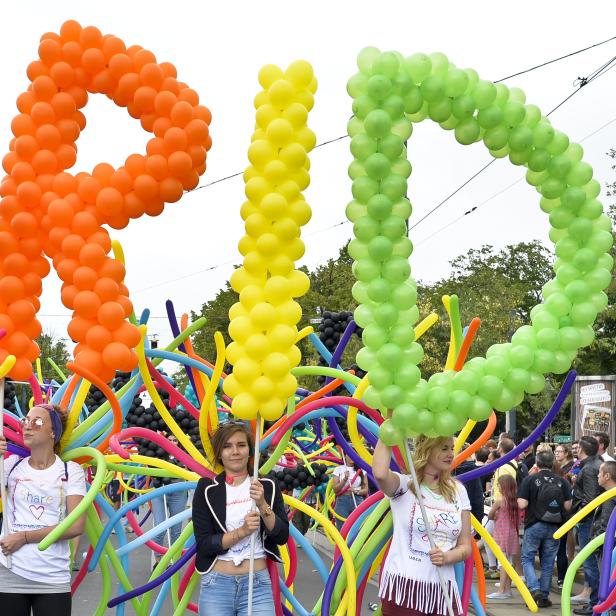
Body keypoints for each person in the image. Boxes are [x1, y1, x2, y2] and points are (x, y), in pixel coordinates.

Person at [192, 421, 289, 615]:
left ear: (249, 451)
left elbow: (281, 536)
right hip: (217, 585)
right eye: (227, 446)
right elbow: (204, 544)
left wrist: (262, 505)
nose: (235, 451)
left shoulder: (267, 485)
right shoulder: (206, 488)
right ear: (219, 453)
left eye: (241, 445)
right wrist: (242, 532)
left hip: (257, 584)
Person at [373, 428, 472, 615]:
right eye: (444, 448)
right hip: (404, 590)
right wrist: (390, 424)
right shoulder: (405, 486)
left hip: (442, 593)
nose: (451, 454)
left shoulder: (458, 491)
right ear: (427, 449)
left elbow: (466, 545)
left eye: (452, 448)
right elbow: (380, 473)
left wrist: (447, 557)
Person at [0, 403, 87, 616]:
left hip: (52, 577)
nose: (28, 426)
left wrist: (24, 537)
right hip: (9, 573)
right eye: (25, 421)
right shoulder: (10, 465)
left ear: (53, 433)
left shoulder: (70, 471)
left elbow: (75, 525)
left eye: (37, 422)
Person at [518, 450, 572, 609]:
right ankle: (544, 596)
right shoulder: (562, 481)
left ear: (537, 462)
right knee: (548, 562)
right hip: (555, 527)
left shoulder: (530, 479)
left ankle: (534, 589)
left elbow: (522, 504)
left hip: (534, 524)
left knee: (527, 558)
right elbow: (568, 506)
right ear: (552, 463)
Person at [574, 461, 616, 615]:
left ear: (607, 476)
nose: (597, 475)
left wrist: (596, 544)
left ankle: (602, 609)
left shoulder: (610, 499)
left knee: (604, 580)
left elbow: (606, 525)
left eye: (600, 472)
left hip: (606, 548)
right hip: (606, 546)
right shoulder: (606, 496)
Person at [571, 436, 603, 607]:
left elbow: (590, 499)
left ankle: (594, 602)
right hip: (592, 519)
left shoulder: (590, 468)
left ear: (582, 450)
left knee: (589, 561)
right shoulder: (596, 464)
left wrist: (580, 517)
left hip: (589, 521)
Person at [150, 433, 189, 570]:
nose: (172, 442)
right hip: (160, 491)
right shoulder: (158, 454)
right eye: (169, 440)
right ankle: (158, 561)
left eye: (175, 440)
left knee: (176, 530)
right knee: (160, 527)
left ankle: (174, 561)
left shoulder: (185, 455)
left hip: (179, 491)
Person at [487, 474, 520, 599]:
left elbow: (490, 515)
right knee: (509, 562)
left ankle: (501, 590)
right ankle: (507, 589)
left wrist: (494, 516)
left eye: (499, 484)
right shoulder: (514, 501)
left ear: (503, 487)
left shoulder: (500, 501)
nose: (498, 486)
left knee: (502, 562)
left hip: (501, 533)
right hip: (512, 534)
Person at [555, 444, 576, 588]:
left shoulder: (571, 468)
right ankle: (561, 579)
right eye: (555, 451)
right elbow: (568, 504)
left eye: (559, 451)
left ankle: (558, 578)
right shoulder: (564, 479)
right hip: (562, 515)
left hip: (554, 517)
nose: (557, 453)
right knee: (560, 548)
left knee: (556, 549)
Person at [331, 458, 368, 531]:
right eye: (349, 455)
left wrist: (355, 491)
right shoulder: (339, 469)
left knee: (357, 529)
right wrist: (345, 479)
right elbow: (335, 489)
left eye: (353, 455)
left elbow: (365, 490)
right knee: (342, 529)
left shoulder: (362, 471)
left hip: (357, 501)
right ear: (345, 456)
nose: (351, 457)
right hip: (342, 501)